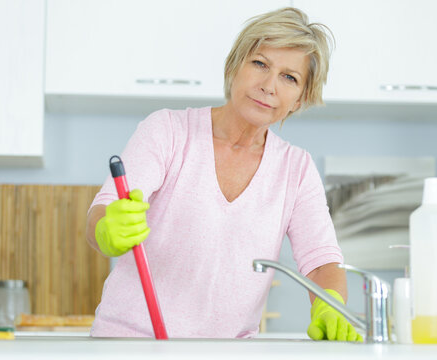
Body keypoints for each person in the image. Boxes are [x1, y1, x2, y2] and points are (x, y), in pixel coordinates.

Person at [86, 7, 362, 342]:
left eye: (289, 77)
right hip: (130, 344)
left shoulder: (296, 169)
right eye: (259, 63)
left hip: (229, 349)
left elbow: (321, 262)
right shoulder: (168, 131)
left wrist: (329, 304)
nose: (268, 86)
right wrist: (106, 229)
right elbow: (104, 209)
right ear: (234, 67)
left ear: (300, 98)